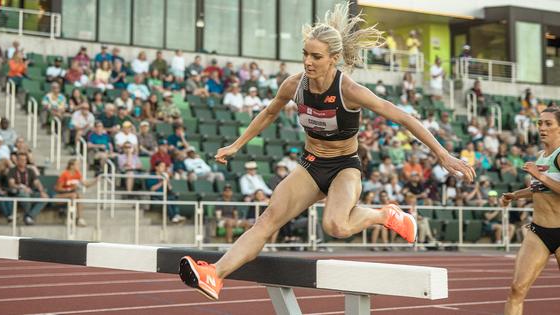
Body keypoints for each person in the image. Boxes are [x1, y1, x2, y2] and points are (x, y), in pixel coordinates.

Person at [178, 4, 474, 301]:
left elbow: (403, 117)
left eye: (316, 56)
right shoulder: (294, 85)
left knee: (336, 225)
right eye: (305, 54)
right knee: (267, 220)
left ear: (334, 58)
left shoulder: (350, 91)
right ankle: (214, 274)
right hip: (311, 165)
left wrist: (443, 154)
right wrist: (236, 145)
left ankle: (384, 214)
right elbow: (268, 113)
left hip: (344, 166)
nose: (308, 62)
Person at [501, 107, 560, 315]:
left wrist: (540, 175)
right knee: (516, 289)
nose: (542, 128)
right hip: (539, 232)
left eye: (548, 124)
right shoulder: (541, 156)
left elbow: (545, 181)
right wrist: (515, 195)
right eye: (540, 123)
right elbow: (539, 189)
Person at [6, 153, 48, 225]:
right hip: (18, 193)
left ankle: (29, 216)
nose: (23, 161)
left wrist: (42, 192)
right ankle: (28, 218)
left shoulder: (30, 170)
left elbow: (37, 182)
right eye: (21, 160)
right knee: (24, 194)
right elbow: (11, 184)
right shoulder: (12, 170)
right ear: (17, 160)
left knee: (44, 197)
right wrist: (22, 187)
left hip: (30, 192)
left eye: (24, 160)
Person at [55, 159, 97, 226]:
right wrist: (70, 189)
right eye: (77, 164)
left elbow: (86, 185)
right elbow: (58, 188)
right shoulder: (65, 174)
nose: (79, 166)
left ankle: (80, 218)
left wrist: (95, 181)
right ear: (71, 166)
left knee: (78, 196)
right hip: (61, 195)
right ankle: (70, 218)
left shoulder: (77, 173)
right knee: (74, 195)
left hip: (72, 194)